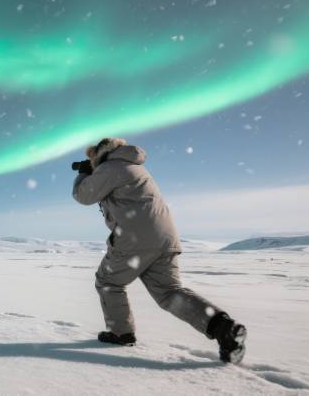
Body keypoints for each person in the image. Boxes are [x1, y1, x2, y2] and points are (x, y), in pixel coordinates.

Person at [72, 138, 247, 364]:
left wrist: (84, 174)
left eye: (91, 159)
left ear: (98, 155)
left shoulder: (111, 167)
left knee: (108, 282)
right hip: (164, 239)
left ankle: (120, 333)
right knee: (169, 292)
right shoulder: (135, 167)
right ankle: (224, 327)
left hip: (135, 238)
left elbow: (83, 196)